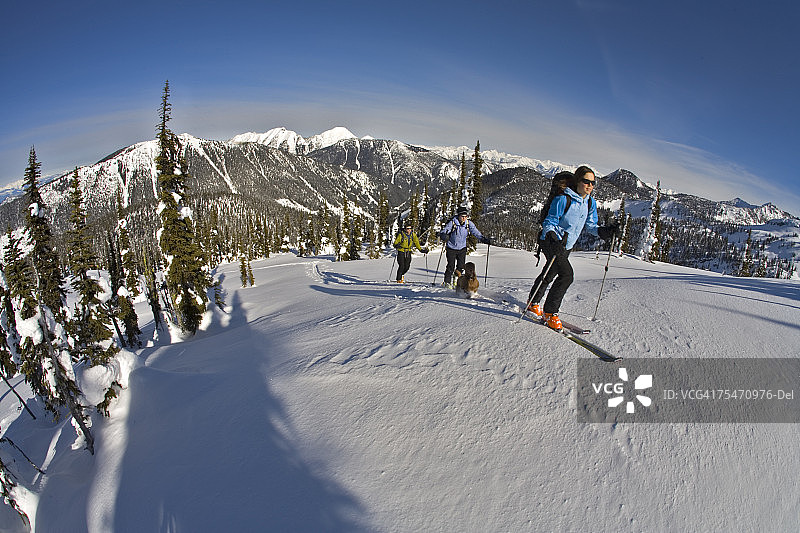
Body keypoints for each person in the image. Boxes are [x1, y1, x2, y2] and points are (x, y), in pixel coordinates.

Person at [527, 166, 619, 330]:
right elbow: (549, 222)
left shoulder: (589, 202)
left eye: (593, 182)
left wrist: (603, 231)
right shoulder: (563, 199)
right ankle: (550, 313)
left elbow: (590, 225)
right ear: (578, 181)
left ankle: (532, 302)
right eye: (586, 181)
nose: (589, 185)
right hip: (550, 241)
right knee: (567, 275)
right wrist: (553, 238)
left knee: (551, 272)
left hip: (566, 245)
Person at [439, 207, 492, 287]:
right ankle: (447, 282)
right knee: (451, 266)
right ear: (459, 216)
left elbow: (475, 232)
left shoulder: (468, 223)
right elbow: (446, 230)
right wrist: (443, 235)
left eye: (465, 216)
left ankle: (456, 280)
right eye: (462, 216)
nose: (464, 218)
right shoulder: (453, 222)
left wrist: (483, 239)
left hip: (462, 248)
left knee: (461, 266)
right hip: (451, 248)